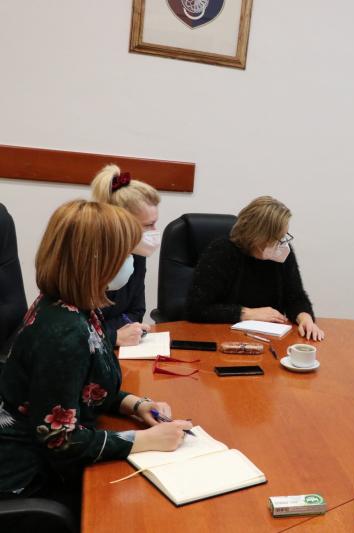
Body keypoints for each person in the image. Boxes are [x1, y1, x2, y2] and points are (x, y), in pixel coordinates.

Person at [0, 200, 191, 513]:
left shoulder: (76, 306)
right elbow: (60, 440)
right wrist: (145, 440)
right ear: (95, 261)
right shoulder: (65, 333)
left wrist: (136, 405)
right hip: (30, 479)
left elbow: (84, 386)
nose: (131, 261)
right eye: (124, 254)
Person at [186, 196, 325, 341]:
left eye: (284, 237)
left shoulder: (281, 253)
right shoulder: (222, 252)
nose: (283, 244)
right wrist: (248, 313)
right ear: (257, 237)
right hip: (224, 337)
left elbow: (296, 297)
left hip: (270, 338)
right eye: (277, 238)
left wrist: (305, 319)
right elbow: (196, 308)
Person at [90, 164, 162, 347]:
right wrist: (113, 335)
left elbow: (136, 312)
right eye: (148, 225)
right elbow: (74, 328)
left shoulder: (137, 255)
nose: (155, 231)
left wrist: (118, 332)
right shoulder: (88, 259)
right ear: (120, 224)